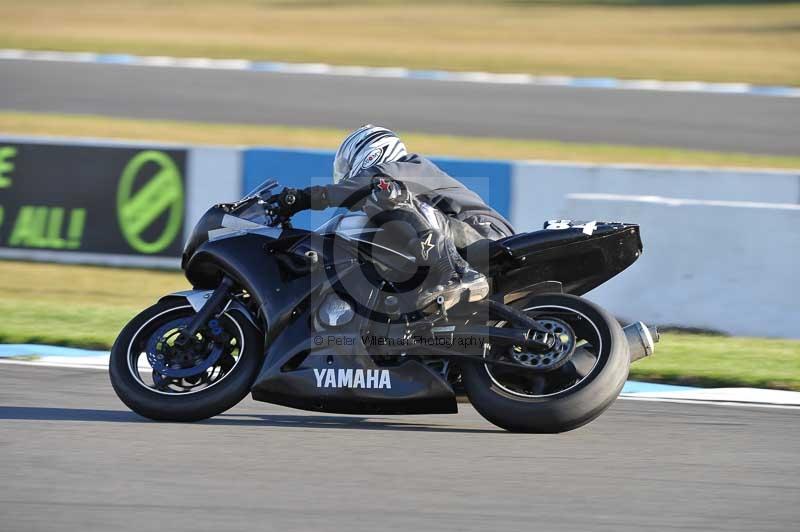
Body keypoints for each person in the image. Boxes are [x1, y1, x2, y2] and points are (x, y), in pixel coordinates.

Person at [270, 124, 514, 310]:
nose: (346, 176)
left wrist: (300, 198)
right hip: (466, 241)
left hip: (487, 237)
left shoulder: (408, 166)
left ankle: (458, 276)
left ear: (371, 154)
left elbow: (366, 185)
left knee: (386, 195)